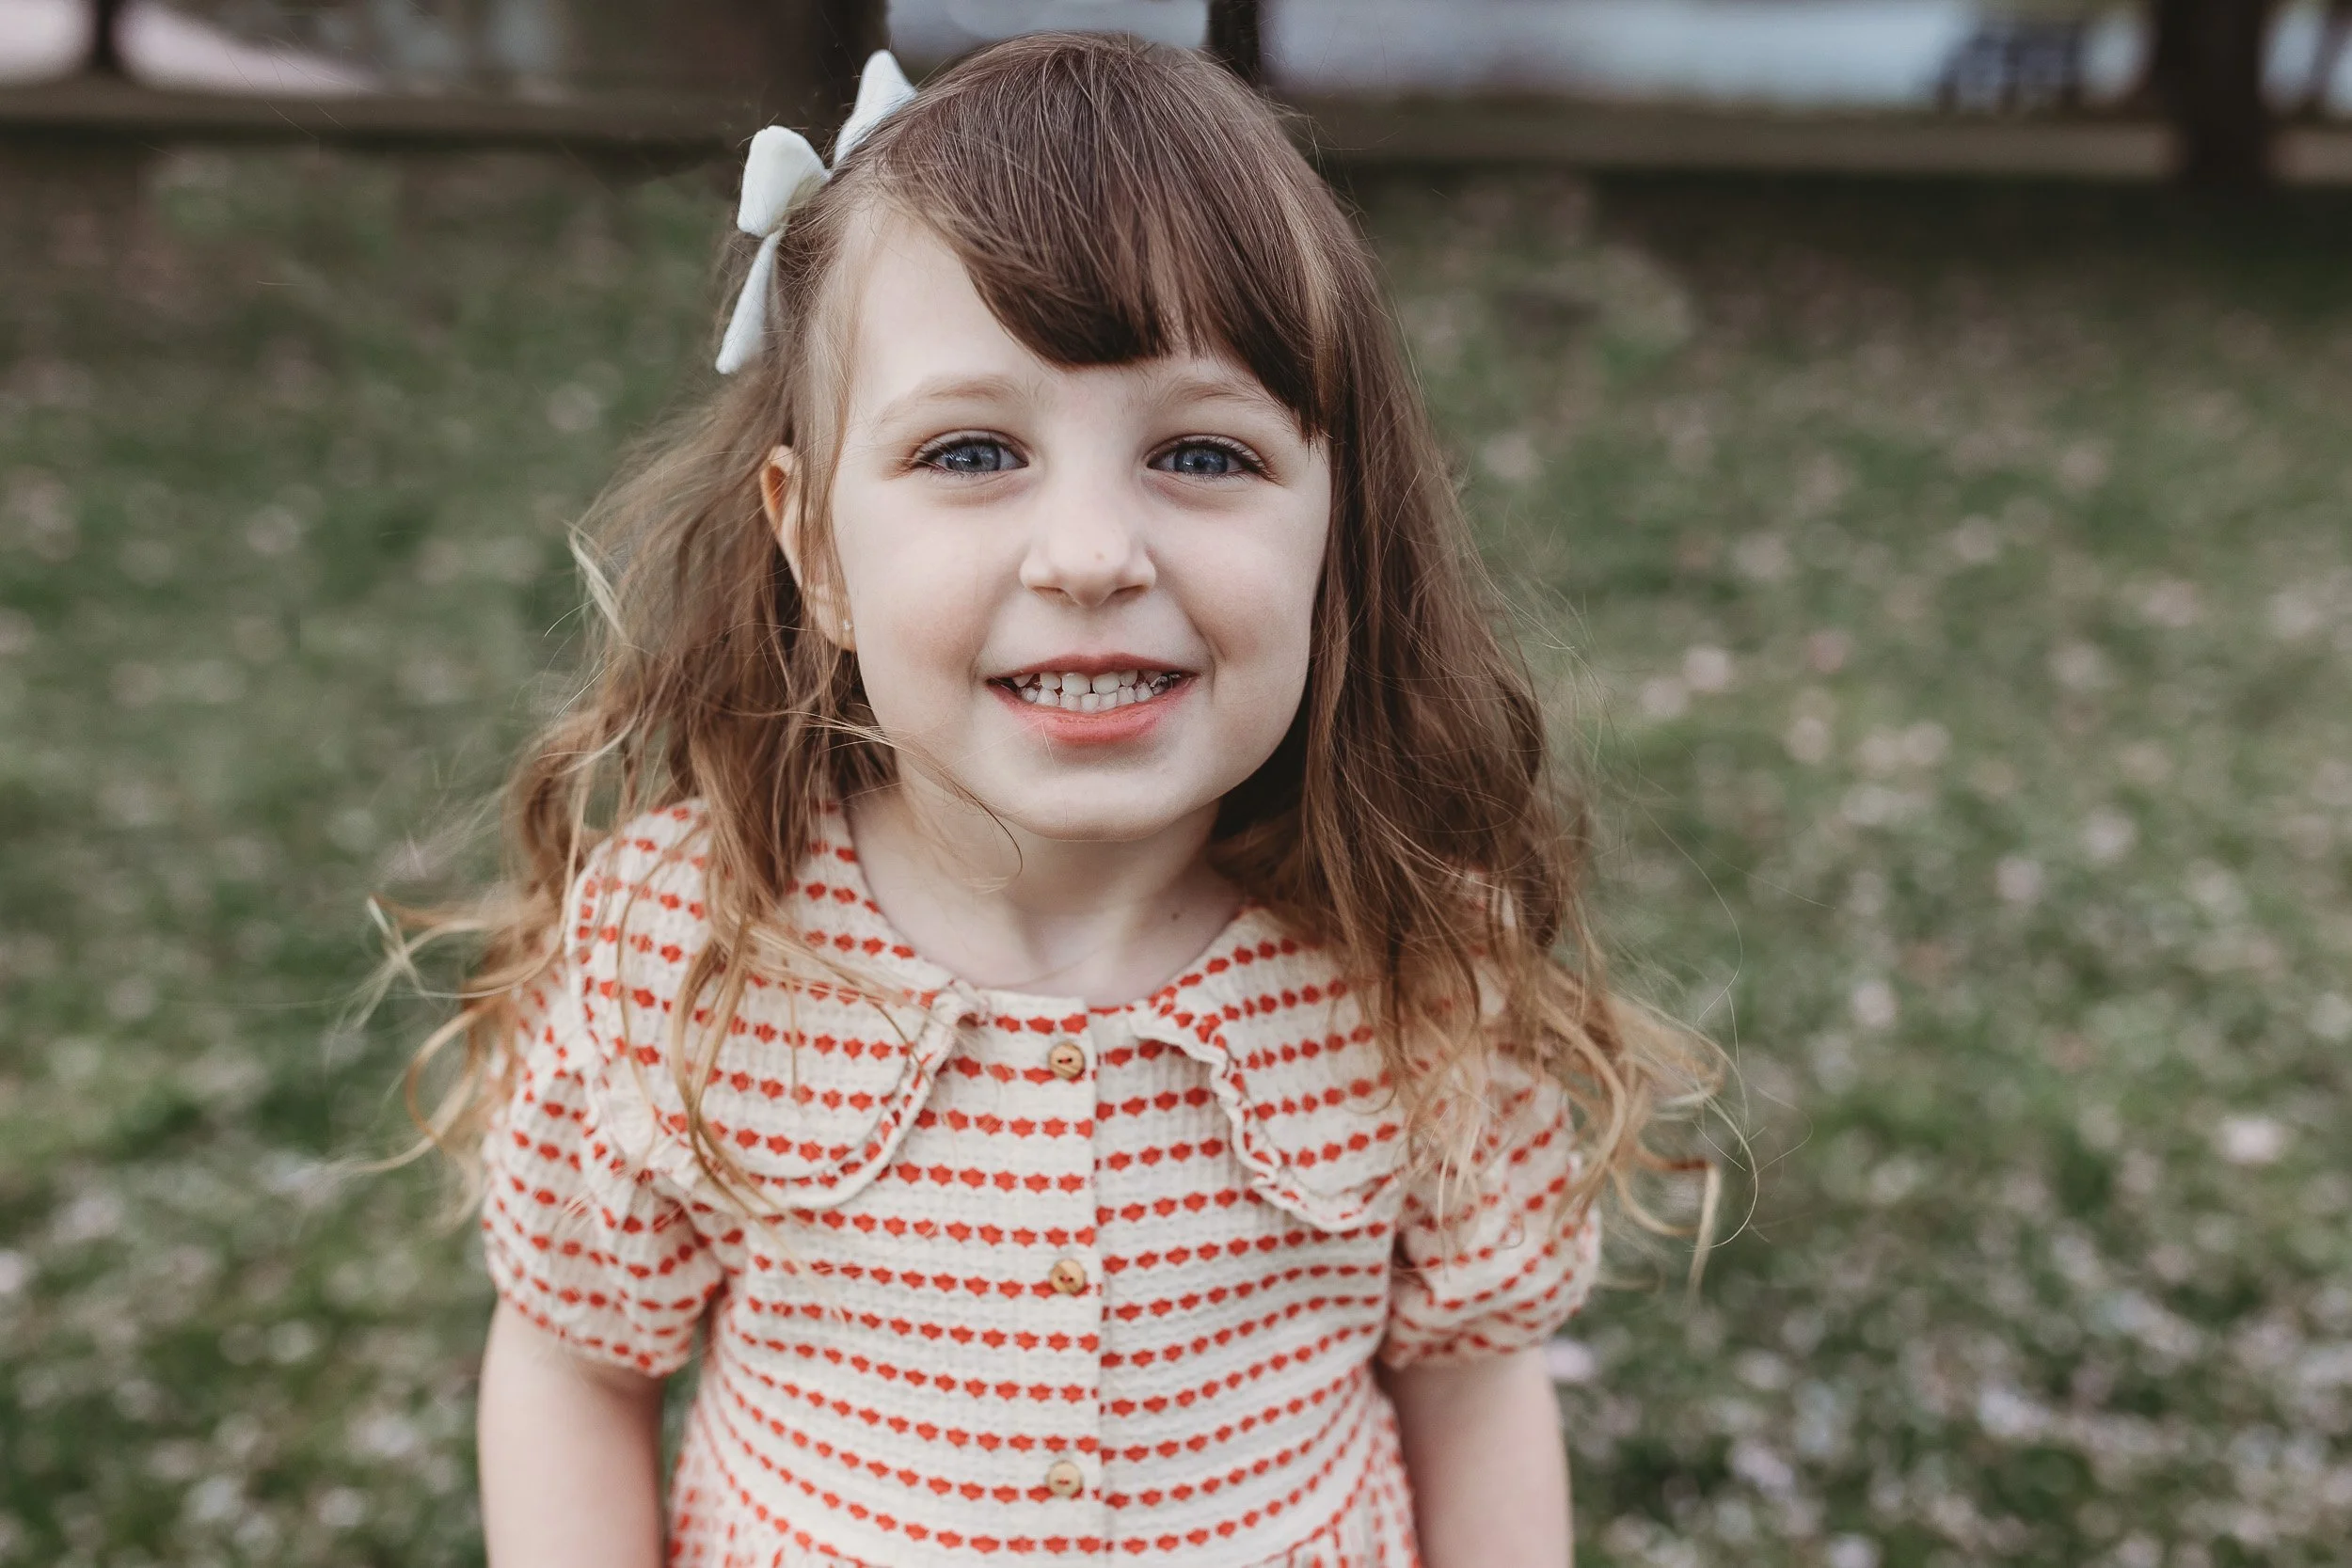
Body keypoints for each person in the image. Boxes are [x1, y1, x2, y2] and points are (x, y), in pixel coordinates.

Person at [405, 31, 1712, 1568]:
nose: (1090, 552)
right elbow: (573, 1356)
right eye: (974, 449)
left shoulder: (1410, 963)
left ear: (1333, 531)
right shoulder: (691, 946)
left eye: (1202, 451)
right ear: (816, 547)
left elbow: (1476, 1388)